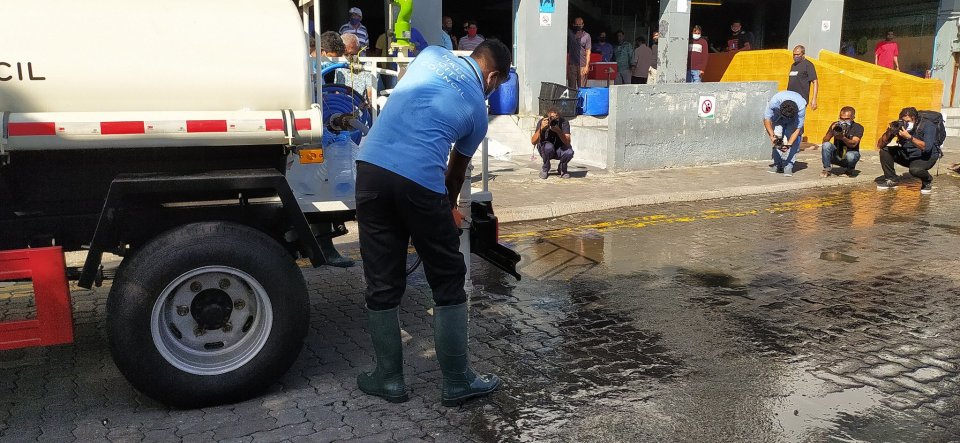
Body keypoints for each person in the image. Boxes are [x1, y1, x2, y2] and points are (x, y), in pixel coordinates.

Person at [354, 40, 511, 406]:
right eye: (497, 84)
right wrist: (448, 210)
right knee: (447, 276)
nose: (493, 89)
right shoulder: (476, 110)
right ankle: (457, 381)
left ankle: (389, 379)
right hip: (420, 182)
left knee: (381, 278)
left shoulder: (431, 56)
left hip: (370, 169)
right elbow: (454, 176)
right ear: (492, 76)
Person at [876, 107, 940, 194]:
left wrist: (910, 138)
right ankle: (891, 179)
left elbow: (927, 148)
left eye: (909, 121)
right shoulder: (900, 126)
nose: (906, 123)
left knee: (915, 170)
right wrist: (890, 132)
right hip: (908, 153)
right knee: (885, 151)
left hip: (925, 156)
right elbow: (880, 145)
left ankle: (927, 180)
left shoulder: (928, 126)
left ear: (916, 120)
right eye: (904, 121)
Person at [763, 90, 807, 177]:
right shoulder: (774, 102)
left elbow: (797, 129)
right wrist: (772, 136)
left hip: (793, 120)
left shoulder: (801, 107)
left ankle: (789, 165)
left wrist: (789, 144)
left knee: (794, 141)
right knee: (777, 138)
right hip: (778, 117)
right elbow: (766, 119)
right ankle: (777, 164)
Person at [820, 106, 864, 177]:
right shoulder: (835, 125)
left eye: (847, 119)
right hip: (836, 156)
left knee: (851, 155)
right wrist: (832, 131)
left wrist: (843, 137)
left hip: (848, 157)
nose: (844, 121)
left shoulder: (858, 127)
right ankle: (827, 169)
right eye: (842, 118)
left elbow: (854, 144)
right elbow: (825, 141)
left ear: (853, 117)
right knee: (826, 145)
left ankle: (849, 170)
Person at [531, 107, 574, 179]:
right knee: (548, 147)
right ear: (547, 117)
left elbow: (568, 142)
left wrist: (559, 131)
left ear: (559, 116)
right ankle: (545, 169)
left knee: (569, 151)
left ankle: (562, 169)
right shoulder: (543, 122)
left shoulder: (564, 123)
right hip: (546, 150)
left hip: (559, 150)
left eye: (556, 117)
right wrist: (541, 128)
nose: (553, 120)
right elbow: (533, 141)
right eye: (551, 118)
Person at [787, 45, 818, 110]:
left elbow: (815, 81)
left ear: (803, 54)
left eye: (798, 54)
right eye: (794, 54)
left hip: (801, 100)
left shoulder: (808, 65)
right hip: (790, 99)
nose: (795, 56)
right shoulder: (793, 65)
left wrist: (814, 99)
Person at [573, 17, 592, 88]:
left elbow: (588, 51)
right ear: (573, 25)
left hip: (582, 65)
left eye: (580, 24)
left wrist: (587, 66)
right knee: (571, 88)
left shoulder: (586, 36)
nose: (578, 26)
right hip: (572, 65)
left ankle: (581, 99)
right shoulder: (570, 34)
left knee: (581, 87)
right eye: (577, 24)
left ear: (583, 25)